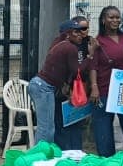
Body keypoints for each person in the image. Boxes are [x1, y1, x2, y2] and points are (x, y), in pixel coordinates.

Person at [29, 19, 94, 150]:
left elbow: (62, 71)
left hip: (42, 85)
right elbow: (77, 72)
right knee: (46, 128)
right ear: (67, 34)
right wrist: (91, 56)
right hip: (44, 87)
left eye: (81, 31)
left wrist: (66, 89)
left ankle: (42, 154)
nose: (80, 34)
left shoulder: (59, 44)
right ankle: (39, 157)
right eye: (76, 32)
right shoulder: (69, 47)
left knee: (47, 126)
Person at [90, 6, 123, 156]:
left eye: (117, 17)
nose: (115, 20)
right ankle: (106, 161)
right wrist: (94, 87)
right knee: (103, 129)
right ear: (103, 20)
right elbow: (93, 66)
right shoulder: (98, 41)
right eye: (111, 17)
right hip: (104, 90)